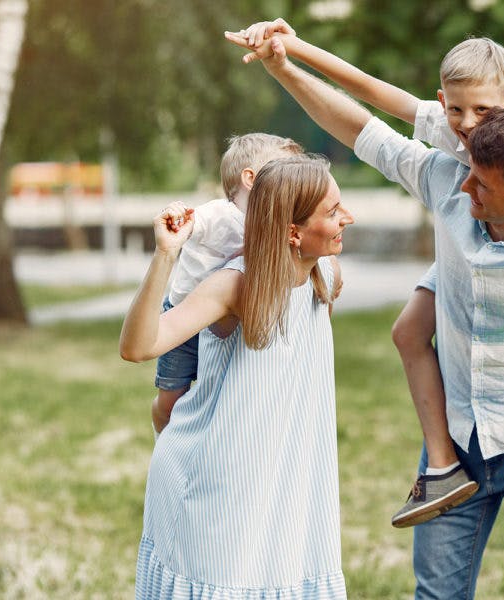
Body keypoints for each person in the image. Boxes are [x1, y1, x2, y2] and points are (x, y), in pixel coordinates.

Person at [225, 28, 504, 599]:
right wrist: (284, 66)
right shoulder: (448, 175)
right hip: (460, 436)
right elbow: (363, 125)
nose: (461, 186)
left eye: (480, 184)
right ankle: (441, 469)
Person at [120, 154, 354, 598]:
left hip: (285, 491)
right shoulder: (233, 286)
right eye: (333, 211)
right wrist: (166, 256)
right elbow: (137, 347)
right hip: (215, 491)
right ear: (292, 231)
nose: (349, 218)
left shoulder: (325, 273)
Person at [150, 133, 303, 435]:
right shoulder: (221, 213)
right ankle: (162, 432)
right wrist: (181, 221)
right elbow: (195, 222)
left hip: (219, 322)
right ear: (251, 178)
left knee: (216, 397)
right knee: (171, 400)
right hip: (182, 318)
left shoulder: (274, 222)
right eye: (284, 170)